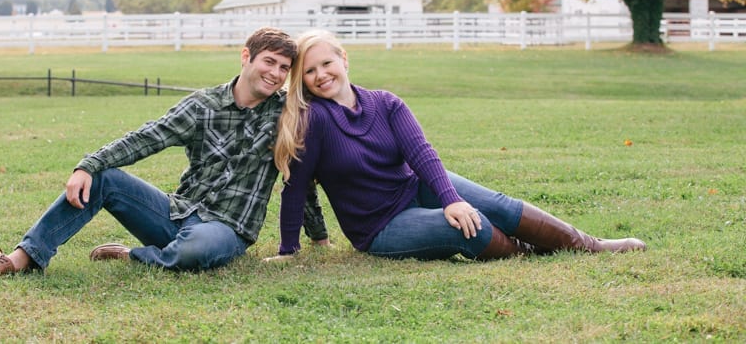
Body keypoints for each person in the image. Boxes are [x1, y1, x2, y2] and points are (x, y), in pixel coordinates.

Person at [0, 27, 329, 281]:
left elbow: (301, 176)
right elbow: (147, 137)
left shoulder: (287, 113)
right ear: (246, 56)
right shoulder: (202, 105)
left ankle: (132, 255)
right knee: (104, 178)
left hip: (227, 229)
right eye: (269, 62)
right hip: (176, 214)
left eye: (284, 68)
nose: (276, 74)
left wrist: (318, 238)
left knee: (197, 249)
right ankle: (24, 258)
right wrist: (88, 165)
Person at [270, 30, 645, 262]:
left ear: (344, 59)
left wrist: (449, 197)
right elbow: (297, 186)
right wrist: (291, 249)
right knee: (470, 227)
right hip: (380, 226)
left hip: (414, 189)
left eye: (326, 63)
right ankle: (527, 253)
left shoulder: (386, 102)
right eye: (309, 71)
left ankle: (591, 246)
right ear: (301, 79)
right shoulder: (313, 119)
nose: (321, 75)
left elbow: (422, 154)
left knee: (496, 205)